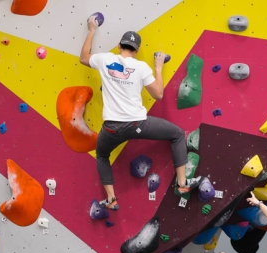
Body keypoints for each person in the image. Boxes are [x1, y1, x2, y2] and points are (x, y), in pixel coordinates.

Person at [79, 17, 201, 210]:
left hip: (111, 128)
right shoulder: (141, 67)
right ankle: (182, 182)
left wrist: (92, 30)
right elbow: (158, 94)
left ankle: (111, 199)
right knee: (177, 134)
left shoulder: (105, 59)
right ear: (136, 51)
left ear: (119, 46)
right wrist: (158, 67)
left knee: (102, 155)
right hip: (138, 124)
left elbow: (84, 57)